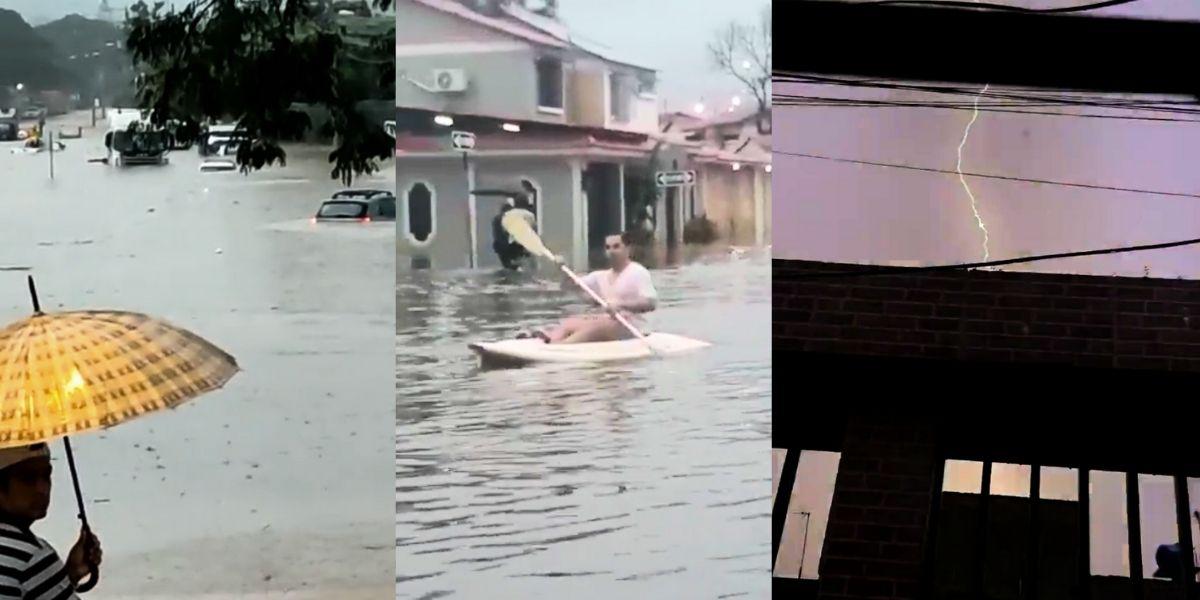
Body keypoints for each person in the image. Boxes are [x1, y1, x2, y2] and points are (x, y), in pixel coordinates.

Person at [0, 443, 102, 599]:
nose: (42, 489)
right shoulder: (30, 555)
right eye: (28, 479)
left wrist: (68, 576)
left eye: (46, 476)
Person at [528, 232, 657, 344]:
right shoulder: (600, 276)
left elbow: (650, 303)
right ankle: (551, 340)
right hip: (608, 323)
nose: (611, 251)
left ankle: (561, 346)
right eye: (608, 248)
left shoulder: (638, 272)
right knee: (570, 322)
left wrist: (620, 305)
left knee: (597, 326)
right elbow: (571, 286)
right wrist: (563, 268)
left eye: (616, 247)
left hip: (632, 326)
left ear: (628, 249)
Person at [491, 196, 533, 270]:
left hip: (502, 246)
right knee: (514, 265)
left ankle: (511, 269)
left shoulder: (497, 219)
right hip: (511, 246)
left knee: (508, 265)